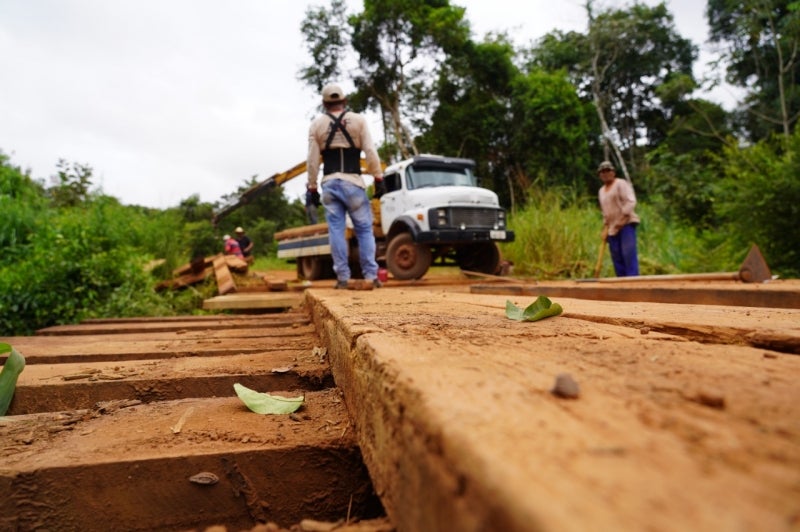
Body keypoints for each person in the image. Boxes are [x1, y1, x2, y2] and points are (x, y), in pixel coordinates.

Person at [307, 83, 384, 289]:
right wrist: (378, 177)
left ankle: (342, 278)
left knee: (336, 231)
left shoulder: (317, 125)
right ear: (344, 101)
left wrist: (311, 187)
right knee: (365, 230)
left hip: (330, 183)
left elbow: (313, 161)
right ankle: (370, 276)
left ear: (324, 103)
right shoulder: (358, 121)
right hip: (353, 183)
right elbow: (370, 151)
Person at [597, 160, 640, 277]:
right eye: (602, 172)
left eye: (608, 171)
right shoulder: (601, 191)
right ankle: (621, 285)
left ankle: (632, 283)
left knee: (628, 254)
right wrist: (605, 227)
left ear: (613, 172)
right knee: (617, 257)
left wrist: (621, 220)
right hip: (612, 228)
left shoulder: (621, 184)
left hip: (626, 224)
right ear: (600, 175)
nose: (605, 174)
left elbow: (630, 202)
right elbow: (605, 211)